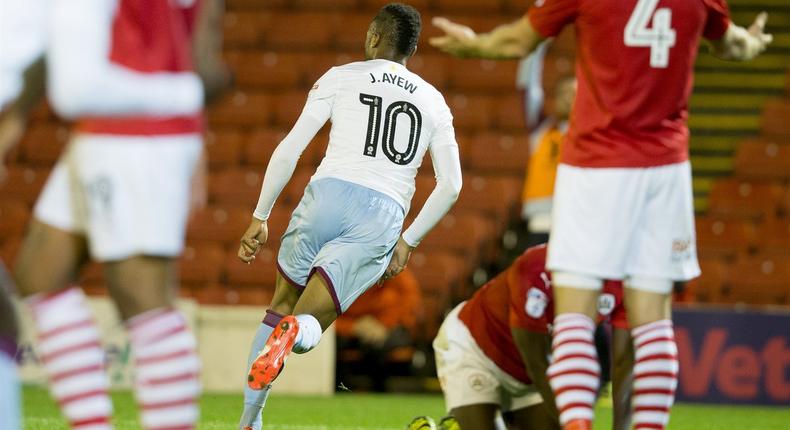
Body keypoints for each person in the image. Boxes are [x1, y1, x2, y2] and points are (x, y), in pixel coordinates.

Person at [430, 2, 772, 429]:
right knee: (652, 321)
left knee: (575, 313)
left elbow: (519, 40)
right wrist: (754, 42)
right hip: (666, 168)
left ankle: (577, 424)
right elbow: (732, 44)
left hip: (595, 164)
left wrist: (474, 45)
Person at [236, 4, 462, 429]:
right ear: (411, 48)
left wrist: (260, 215)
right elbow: (451, 185)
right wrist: (408, 241)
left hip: (326, 195)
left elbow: (290, 148)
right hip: (381, 214)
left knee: (279, 306)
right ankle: (296, 334)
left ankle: (249, 421)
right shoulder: (434, 101)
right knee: (310, 323)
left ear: (375, 37)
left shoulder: (340, 77)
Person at [10, 1, 229, 429]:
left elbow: (73, 89)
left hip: (133, 131)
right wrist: (192, 120)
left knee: (141, 297)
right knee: (39, 273)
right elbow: (203, 56)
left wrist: (186, 107)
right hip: (124, 126)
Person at [433, 244, 632, 430]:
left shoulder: (623, 281)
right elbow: (534, 360)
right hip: (475, 349)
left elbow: (624, 362)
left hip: (533, 369)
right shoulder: (537, 267)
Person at [335, 268, 422, 392]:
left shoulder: (393, 266)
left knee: (384, 344)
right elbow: (326, 313)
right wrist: (353, 327)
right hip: (350, 331)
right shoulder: (342, 268)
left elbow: (411, 302)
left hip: (387, 329)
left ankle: (382, 393)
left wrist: (383, 325)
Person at [521, 75, 575, 247]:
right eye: (563, 93)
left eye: (574, 93)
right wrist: (535, 49)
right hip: (542, 220)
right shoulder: (541, 128)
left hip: (576, 220)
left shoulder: (593, 134)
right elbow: (527, 88)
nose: (568, 98)